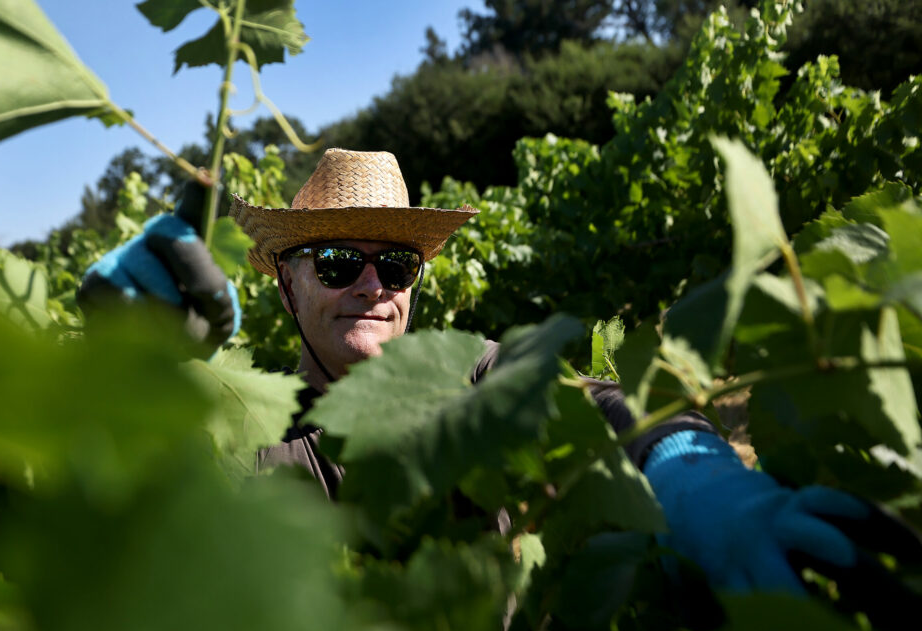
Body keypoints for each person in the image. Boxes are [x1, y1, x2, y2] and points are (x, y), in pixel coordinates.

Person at [78, 148, 917, 602]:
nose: (372, 284)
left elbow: (590, 403)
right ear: (284, 280)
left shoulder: (472, 377)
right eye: (337, 262)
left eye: (396, 265)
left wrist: (692, 477)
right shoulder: (250, 437)